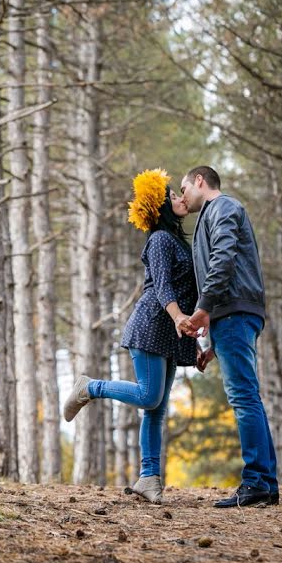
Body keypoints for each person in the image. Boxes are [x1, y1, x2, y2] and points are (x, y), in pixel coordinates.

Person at [63, 168, 209, 505]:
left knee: (156, 409)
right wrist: (178, 319)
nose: (180, 198)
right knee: (148, 397)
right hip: (152, 325)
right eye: (172, 196)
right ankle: (90, 387)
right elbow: (162, 285)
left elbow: (186, 294)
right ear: (159, 207)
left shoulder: (177, 241)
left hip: (172, 331)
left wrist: (195, 340)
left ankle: (148, 478)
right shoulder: (159, 239)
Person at [178, 165, 279, 508]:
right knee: (248, 395)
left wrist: (204, 307)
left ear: (200, 181)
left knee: (243, 398)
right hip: (230, 315)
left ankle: (254, 483)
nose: (182, 196)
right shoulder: (213, 214)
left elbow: (223, 258)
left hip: (234, 311)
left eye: (184, 188)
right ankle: (266, 482)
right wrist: (211, 344)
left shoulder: (222, 208)